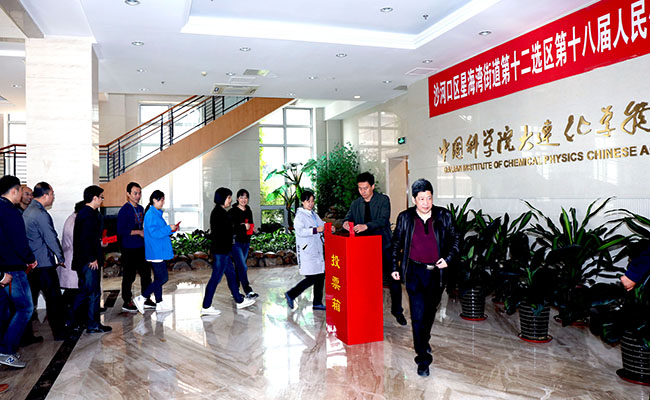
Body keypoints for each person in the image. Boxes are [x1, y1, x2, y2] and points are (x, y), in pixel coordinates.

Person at [391, 179, 460, 377]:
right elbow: (396, 243)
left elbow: (456, 239)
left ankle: (424, 339)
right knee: (418, 315)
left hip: (436, 273)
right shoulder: (405, 217)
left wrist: (448, 259)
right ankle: (422, 358)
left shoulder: (444, 216)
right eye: (421, 199)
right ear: (414, 199)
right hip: (414, 272)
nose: (426, 203)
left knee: (429, 313)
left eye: (429, 198)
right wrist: (394, 266)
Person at [343, 172, 406, 325]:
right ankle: (368, 310)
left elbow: (383, 220)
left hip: (384, 246)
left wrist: (366, 226)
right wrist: (346, 223)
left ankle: (397, 311)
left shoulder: (383, 200)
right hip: (364, 248)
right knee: (366, 282)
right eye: (360, 188)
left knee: (393, 279)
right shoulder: (356, 204)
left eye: (365, 188)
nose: (362, 191)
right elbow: (348, 217)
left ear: (372, 186)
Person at [0, 175, 37, 368]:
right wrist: (30, 258)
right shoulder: (10, 211)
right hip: (13, 269)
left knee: (4, 311)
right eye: (21, 191)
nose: (22, 195)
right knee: (25, 309)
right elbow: (19, 241)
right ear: (14, 191)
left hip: (3, 269)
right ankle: (6, 351)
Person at [201, 187, 255, 316]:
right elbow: (228, 231)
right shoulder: (219, 213)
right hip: (221, 252)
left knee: (231, 275)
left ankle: (239, 300)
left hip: (224, 251)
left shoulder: (220, 211)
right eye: (229, 197)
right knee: (216, 278)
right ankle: (206, 306)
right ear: (223, 198)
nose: (230, 200)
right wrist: (243, 227)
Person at [23, 182, 66, 340]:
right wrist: (60, 256)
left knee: (30, 302)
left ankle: (26, 337)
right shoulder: (40, 214)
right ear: (45, 195)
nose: (53, 197)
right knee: (54, 300)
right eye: (52, 194)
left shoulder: (28, 211)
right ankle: (59, 333)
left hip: (32, 264)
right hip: (44, 265)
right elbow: (51, 238)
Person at [72, 185, 112, 334]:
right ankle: (93, 324)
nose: (102, 200)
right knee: (93, 293)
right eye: (101, 197)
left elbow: (90, 237)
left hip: (84, 260)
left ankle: (73, 321)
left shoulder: (87, 213)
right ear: (94, 198)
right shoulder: (88, 214)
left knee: (84, 292)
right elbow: (84, 239)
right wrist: (91, 258)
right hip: (88, 262)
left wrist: (99, 243)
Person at [285, 190, 332, 311]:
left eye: (312, 201)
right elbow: (300, 231)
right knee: (312, 278)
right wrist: (316, 230)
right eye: (308, 201)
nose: (310, 203)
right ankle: (291, 294)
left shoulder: (313, 214)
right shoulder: (300, 216)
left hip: (316, 249)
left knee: (320, 275)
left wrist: (329, 227)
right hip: (307, 250)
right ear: (303, 202)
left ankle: (317, 302)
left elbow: (321, 224)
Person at [133, 190, 178, 314]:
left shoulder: (155, 213)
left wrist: (171, 229)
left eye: (163, 199)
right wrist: (168, 228)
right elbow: (154, 233)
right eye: (161, 200)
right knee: (163, 278)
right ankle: (142, 297)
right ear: (154, 200)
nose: (163, 202)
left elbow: (160, 230)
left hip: (158, 250)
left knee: (158, 278)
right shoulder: (151, 214)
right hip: (156, 251)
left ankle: (159, 303)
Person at [117, 182, 155, 312]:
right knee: (129, 275)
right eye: (135, 193)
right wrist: (138, 232)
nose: (138, 196)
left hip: (141, 246)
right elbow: (121, 231)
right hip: (129, 247)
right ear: (128, 194)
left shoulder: (141, 209)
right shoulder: (124, 210)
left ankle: (146, 298)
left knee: (146, 274)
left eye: (139, 193)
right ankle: (127, 301)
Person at [228, 188, 258, 300]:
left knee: (239, 267)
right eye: (241, 197)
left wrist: (252, 228)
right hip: (236, 243)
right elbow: (230, 228)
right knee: (242, 267)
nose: (243, 200)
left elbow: (250, 223)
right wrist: (242, 226)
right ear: (237, 199)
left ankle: (235, 291)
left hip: (246, 242)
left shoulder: (248, 210)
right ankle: (248, 291)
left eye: (245, 198)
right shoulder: (232, 212)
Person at [59, 201, 84, 328]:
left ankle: (70, 319)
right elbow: (78, 243)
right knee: (72, 294)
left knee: (72, 293)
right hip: (72, 262)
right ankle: (70, 320)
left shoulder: (72, 219)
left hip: (71, 261)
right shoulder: (74, 222)